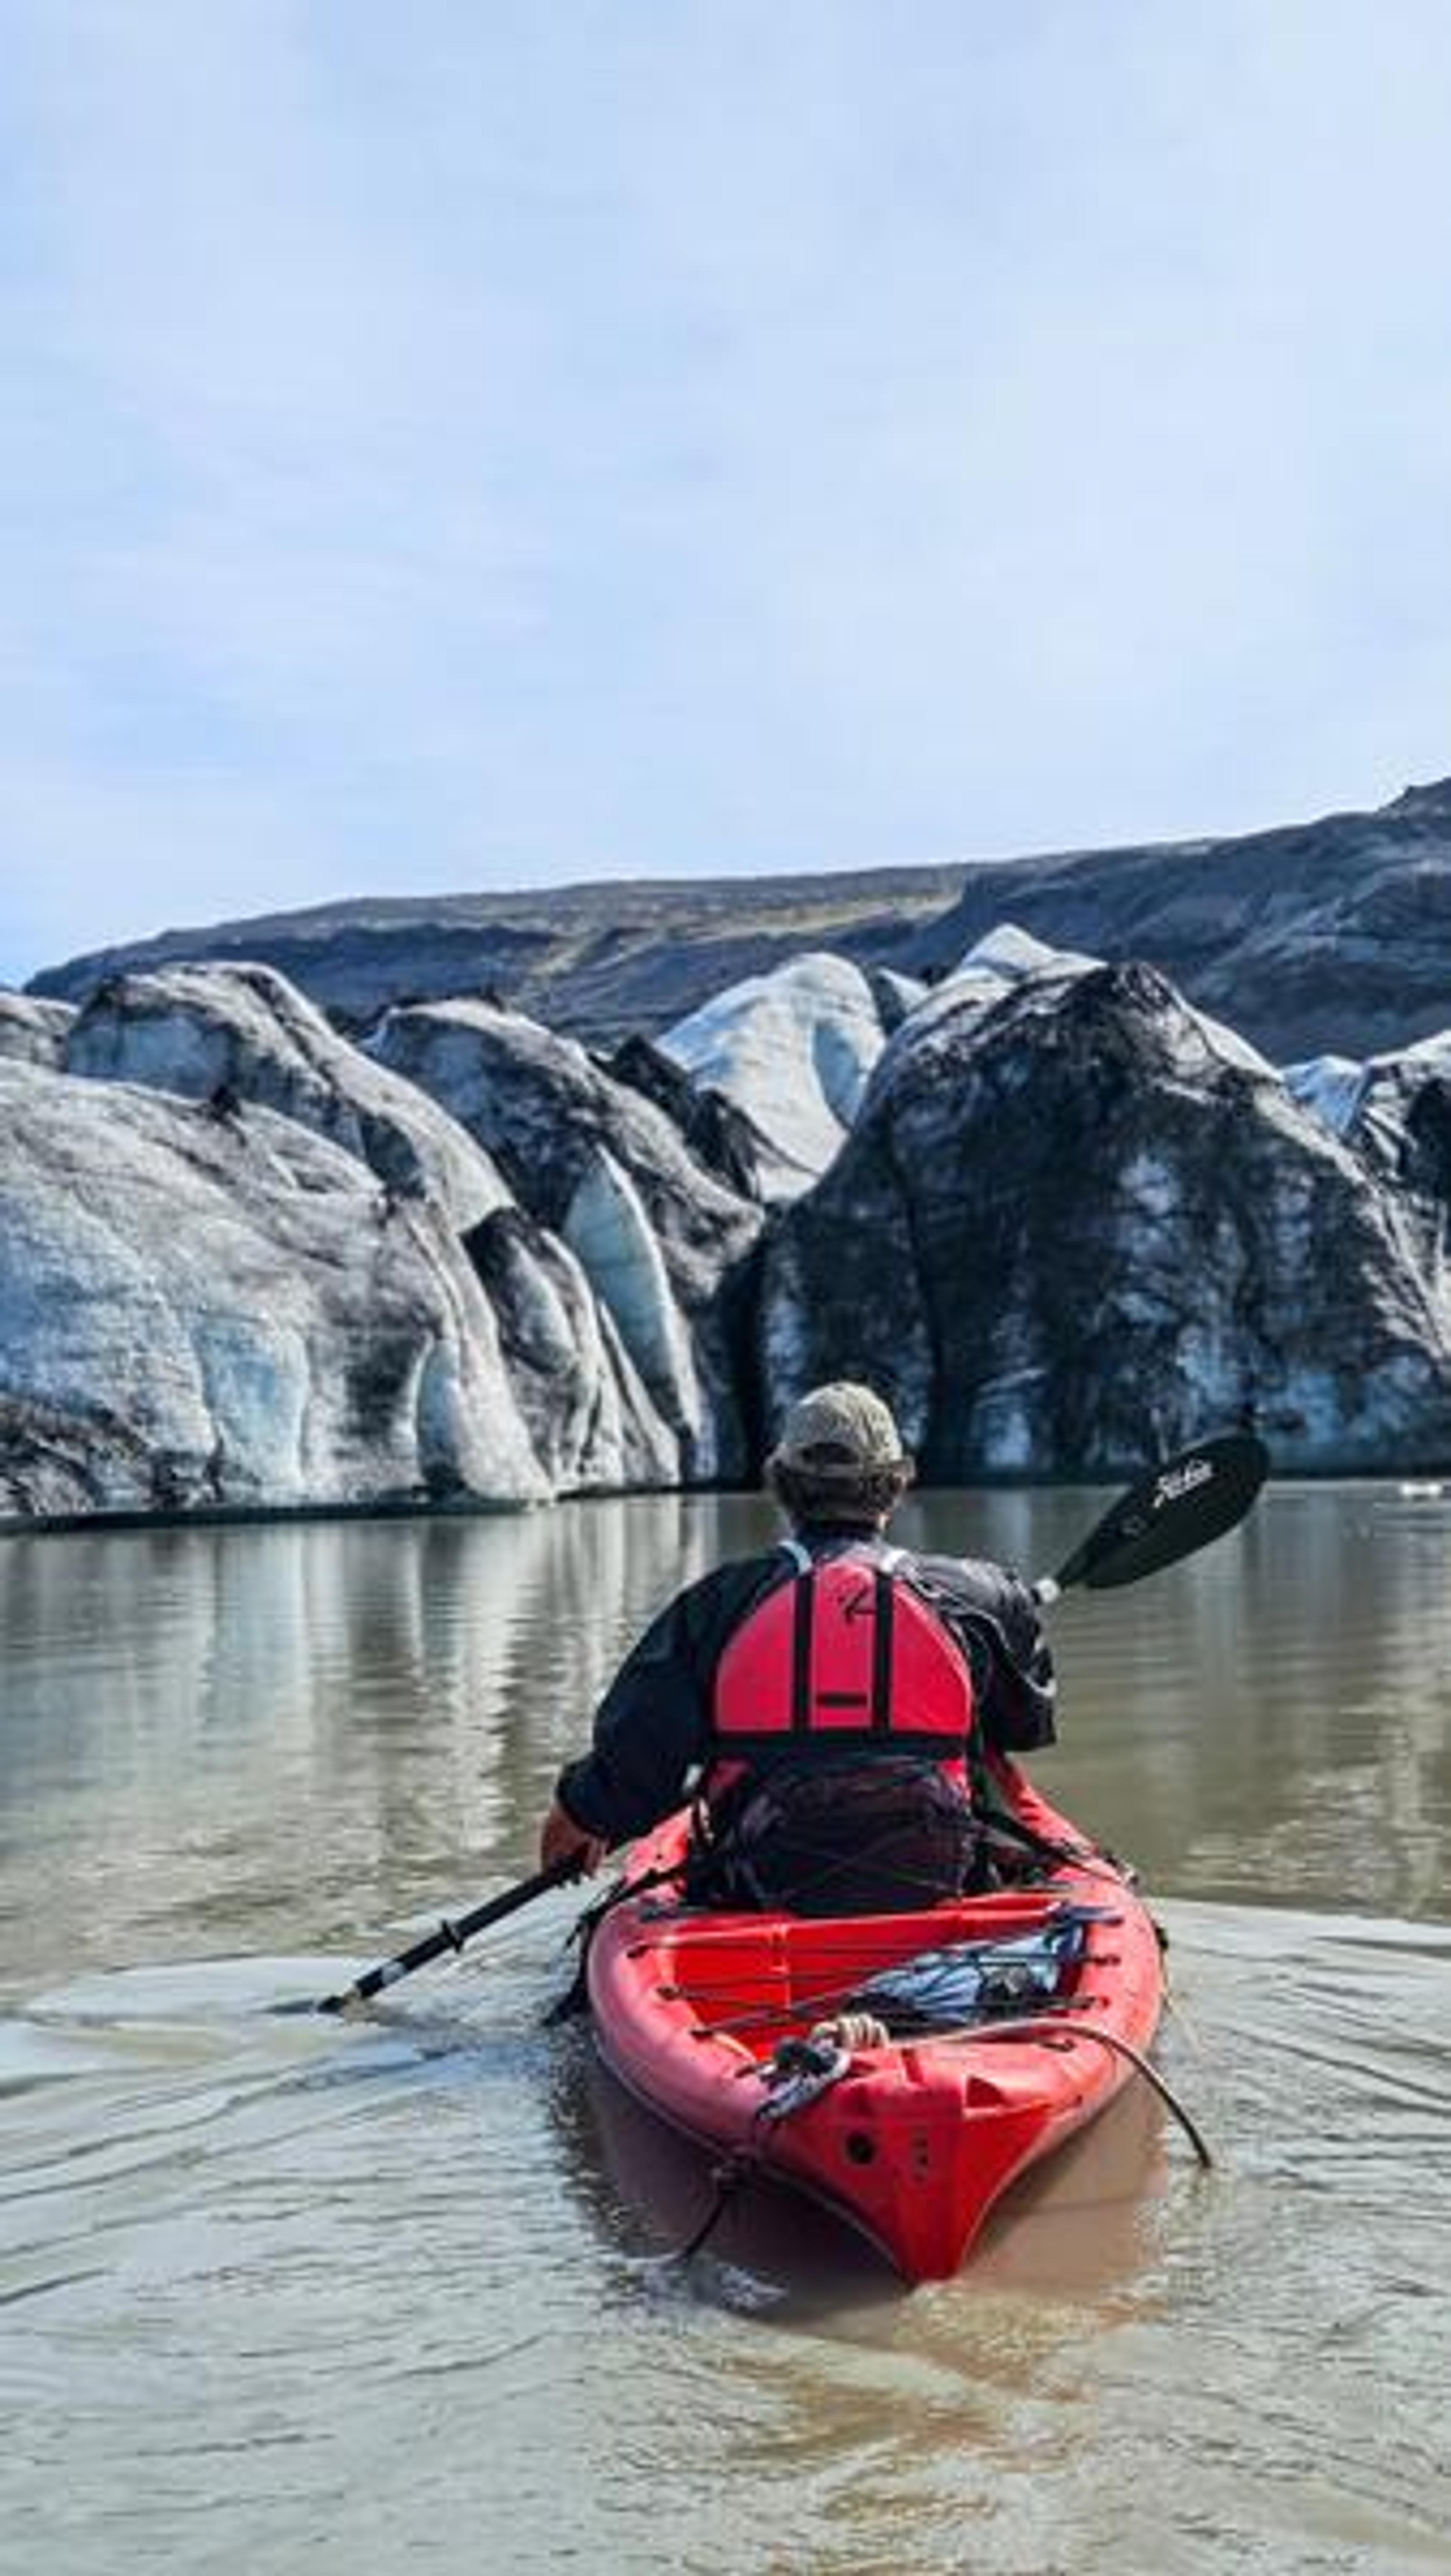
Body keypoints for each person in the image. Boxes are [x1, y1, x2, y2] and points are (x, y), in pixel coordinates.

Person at [536, 1382, 1058, 1913]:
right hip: (932, 1871)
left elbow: (638, 1758)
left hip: (763, 1880)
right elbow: (1027, 1727)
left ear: (782, 1483)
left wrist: (582, 1811)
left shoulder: (714, 1606)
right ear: (896, 1485)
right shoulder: (981, 1598)